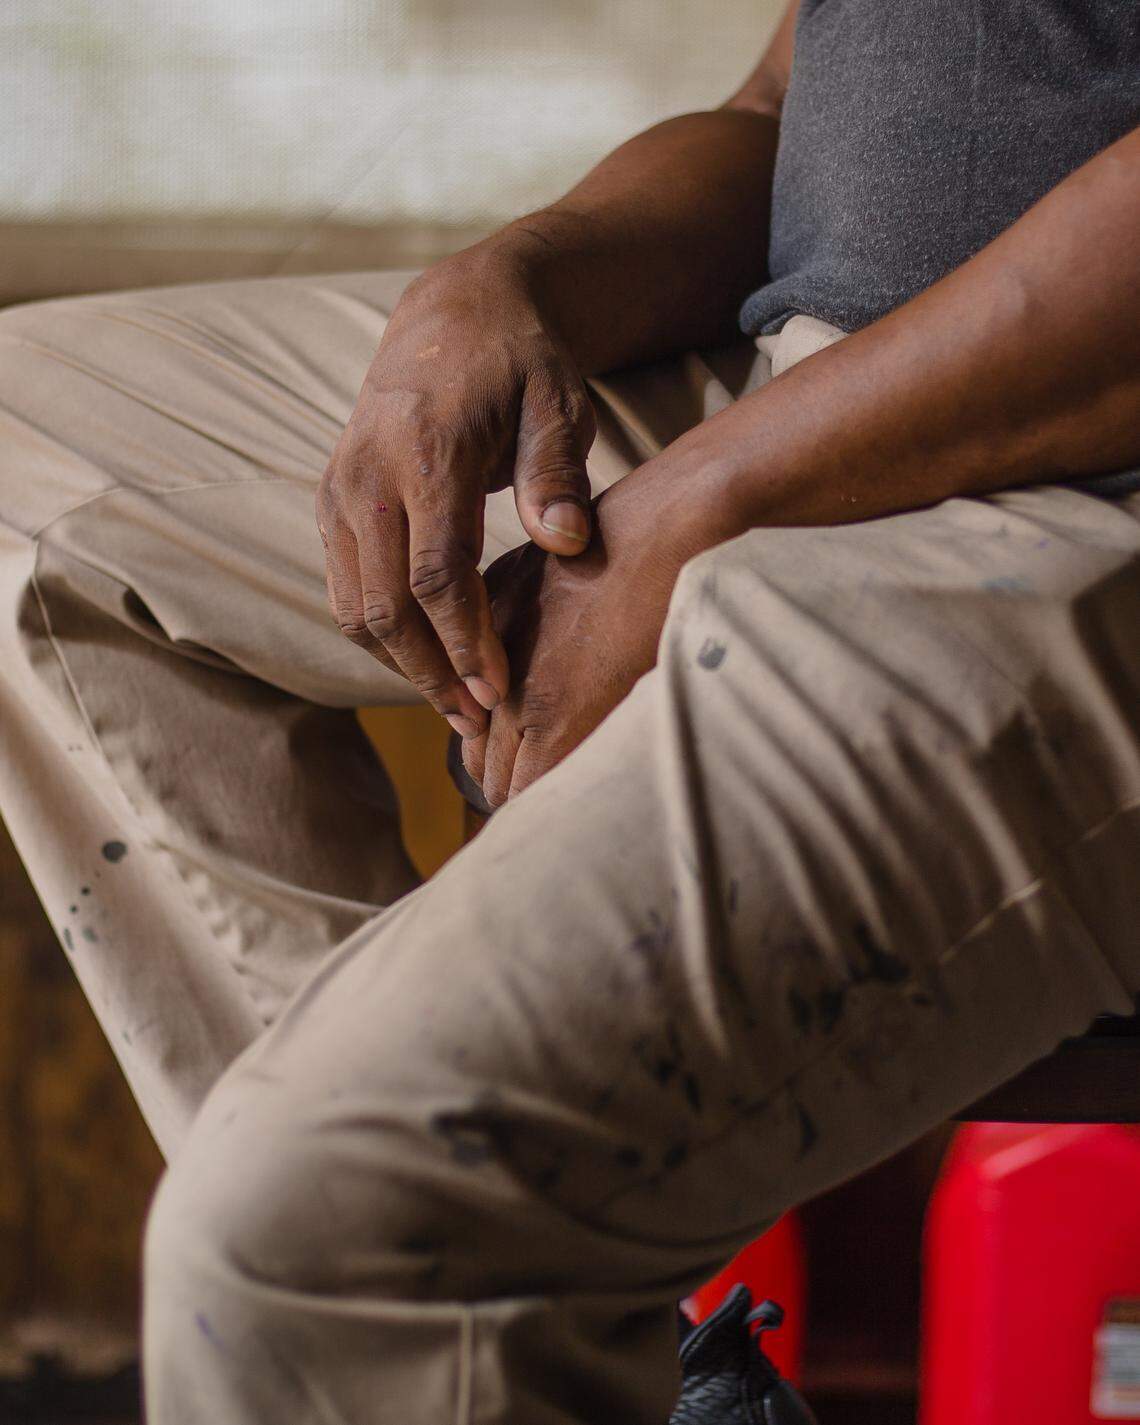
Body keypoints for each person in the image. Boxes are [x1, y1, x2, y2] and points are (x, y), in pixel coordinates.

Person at [1, 1, 1138, 1419]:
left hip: (1076, 487)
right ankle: (524, 1335)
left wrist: (705, 504)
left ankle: (401, 1268)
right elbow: (791, 112)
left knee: (319, 1236)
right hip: (792, 391)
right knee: (26, 468)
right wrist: (504, 282)